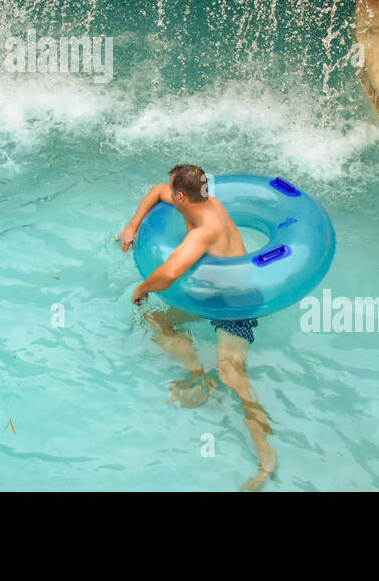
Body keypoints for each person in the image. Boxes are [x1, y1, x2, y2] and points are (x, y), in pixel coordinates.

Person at [118, 163, 278, 490]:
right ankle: (198, 375)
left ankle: (266, 457)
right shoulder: (202, 200)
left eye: (172, 190)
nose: (168, 192)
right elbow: (155, 192)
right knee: (157, 320)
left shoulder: (205, 230)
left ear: (181, 196)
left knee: (233, 374)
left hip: (236, 305)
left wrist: (141, 289)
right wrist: (133, 226)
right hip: (212, 295)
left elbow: (170, 273)